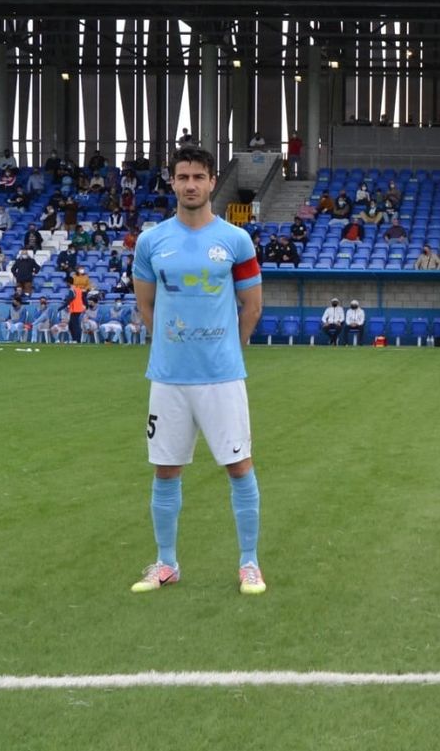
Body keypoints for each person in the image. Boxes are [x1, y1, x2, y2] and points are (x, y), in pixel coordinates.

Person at [128, 146, 267, 596]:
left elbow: (252, 306)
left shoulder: (236, 240)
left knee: (239, 467)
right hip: (168, 377)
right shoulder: (151, 242)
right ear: (172, 182)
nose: (191, 185)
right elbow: (146, 305)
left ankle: (249, 563)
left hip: (221, 376)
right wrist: (171, 345)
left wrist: (228, 349)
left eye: (198, 177)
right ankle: (167, 563)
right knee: (165, 470)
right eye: (183, 177)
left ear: (212, 182)